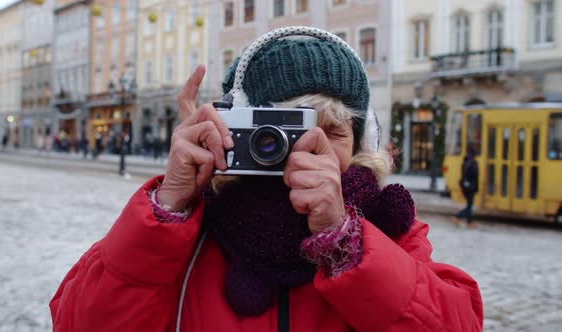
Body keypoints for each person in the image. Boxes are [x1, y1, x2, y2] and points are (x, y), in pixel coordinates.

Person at [50, 28, 482, 331]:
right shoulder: (193, 227)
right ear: (236, 130)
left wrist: (344, 240)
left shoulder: (386, 228)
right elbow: (78, 323)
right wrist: (169, 206)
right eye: (282, 131)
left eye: (332, 132)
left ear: (360, 144)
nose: (308, 147)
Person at [454, 147, 479, 228]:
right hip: (470, 187)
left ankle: (470, 223)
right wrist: (476, 188)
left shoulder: (465, 162)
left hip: (465, 187)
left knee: (469, 205)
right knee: (469, 206)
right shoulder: (473, 163)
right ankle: (458, 216)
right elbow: (475, 177)